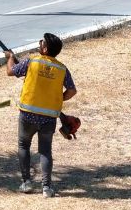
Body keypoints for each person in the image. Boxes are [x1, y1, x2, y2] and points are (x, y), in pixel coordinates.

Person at [5, 33, 77, 198]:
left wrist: (10, 57)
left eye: (41, 43)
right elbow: (72, 91)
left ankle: (26, 183)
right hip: (48, 117)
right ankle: (46, 188)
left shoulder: (32, 62)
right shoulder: (61, 69)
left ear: (45, 49)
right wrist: (58, 99)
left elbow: (11, 71)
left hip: (27, 114)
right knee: (45, 151)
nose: (39, 44)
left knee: (24, 146)